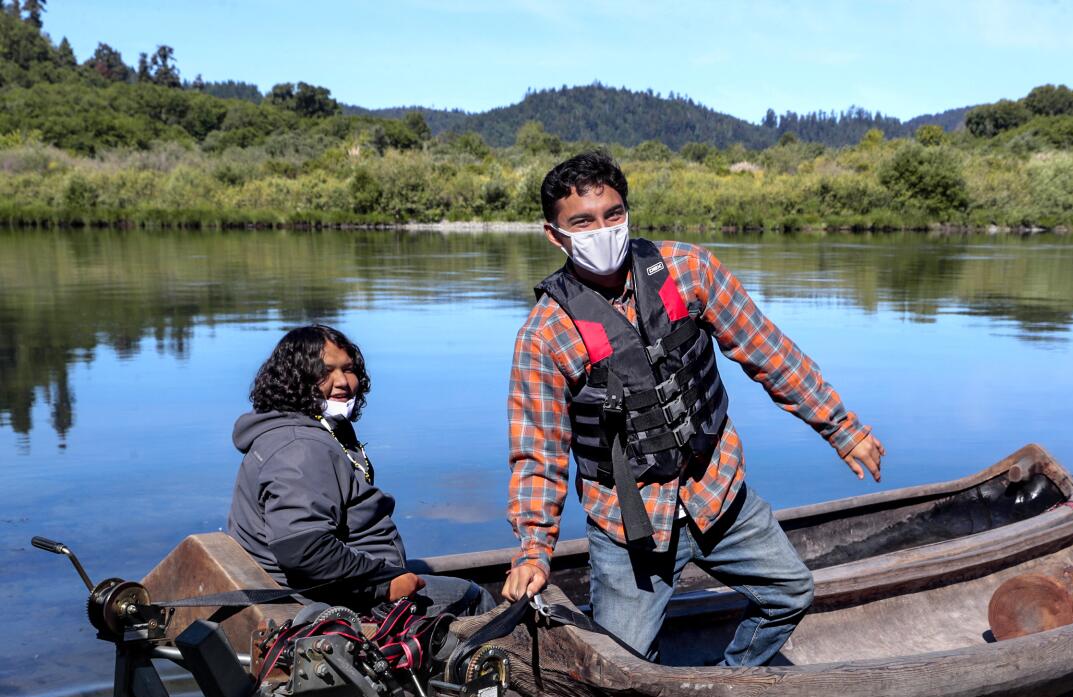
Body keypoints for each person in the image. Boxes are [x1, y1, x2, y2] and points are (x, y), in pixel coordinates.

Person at [502, 152, 885, 666]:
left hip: (717, 490)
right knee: (621, 667)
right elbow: (537, 453)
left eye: (613, 215)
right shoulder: (545, 334)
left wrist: (842, 428)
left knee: (790, 593)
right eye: (583, 222)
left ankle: (730, 685)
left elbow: (769, 352)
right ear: (556, 234)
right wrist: (533, 550)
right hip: (629, 525)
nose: (603, 230)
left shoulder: (688, 270)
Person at [228, 324, 493, 618]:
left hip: (346, 584)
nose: (342, 381)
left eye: (348, 369)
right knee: (476, 599)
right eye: (325, 371)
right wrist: (381, 584)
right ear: (293, 380)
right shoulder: (300, 447)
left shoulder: (317, 430)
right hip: (336, 600)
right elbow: (304, 548)